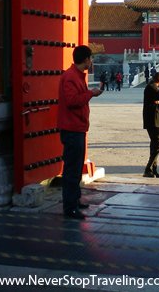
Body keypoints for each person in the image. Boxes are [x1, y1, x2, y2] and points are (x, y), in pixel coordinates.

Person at [57, 45, 103, 220]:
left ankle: (74, 200)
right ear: (86, 59)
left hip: (77, 127)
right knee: (71, 170)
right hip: (72, 128)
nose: (91, 62)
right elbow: (72, 101)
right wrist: (91, 93)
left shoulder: (76, 75)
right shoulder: (70, 77)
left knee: (75, 168)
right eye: (90, 58)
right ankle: (70, 207)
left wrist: (90, 93)